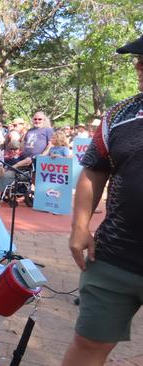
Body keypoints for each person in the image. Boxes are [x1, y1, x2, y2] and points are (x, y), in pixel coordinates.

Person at [62, 36, 143, 366]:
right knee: (87, 344)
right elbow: (93, 171)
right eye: (138, 59)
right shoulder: (120, 114)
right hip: (114, 258)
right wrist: (80, 227)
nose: (138, 66)